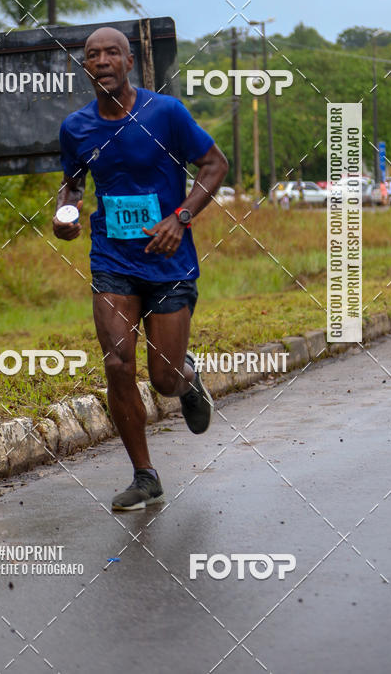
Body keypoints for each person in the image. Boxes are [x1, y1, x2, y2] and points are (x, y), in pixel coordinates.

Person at [53, 27, 228, 511]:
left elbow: (215, 164)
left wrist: (181, 217)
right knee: (117, 363)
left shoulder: (165, 113)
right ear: (85, 67)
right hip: (112, 259)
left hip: (169, 259)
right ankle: (145, 476)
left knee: (164, 379)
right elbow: (72, 184)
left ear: (130, 62)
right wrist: (65, 214)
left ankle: (188, 380)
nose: (102, 60)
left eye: (112, 52)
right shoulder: (76, 127)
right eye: (93, 55)